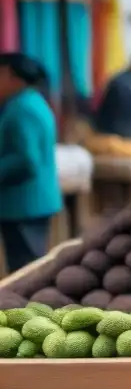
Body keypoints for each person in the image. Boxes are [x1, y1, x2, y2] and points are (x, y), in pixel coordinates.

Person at [0, 53, 61, 273]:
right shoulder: (30, 101)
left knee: (26, 271)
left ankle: (34, 309)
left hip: (23, 205)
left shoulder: (21, 109)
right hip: (29, 204)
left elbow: (26, 159)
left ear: (14, 78)